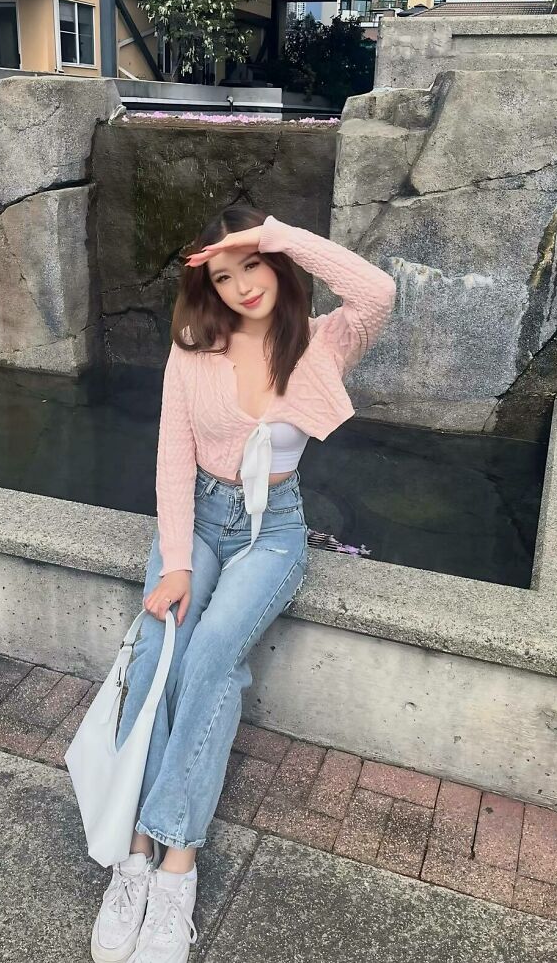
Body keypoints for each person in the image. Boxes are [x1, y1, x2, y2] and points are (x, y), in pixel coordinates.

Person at [90, 205, 396, 963]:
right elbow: (170, 457)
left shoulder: (325, 342)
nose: (240, 286)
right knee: (167, 649)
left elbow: (377, 291)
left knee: (210, 656)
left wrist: (273, 233)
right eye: (222, 277)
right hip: (196, 518)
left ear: (274, 264)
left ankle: (172, 869)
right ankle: (137, 859)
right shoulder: (194, 350)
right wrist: (177, 561)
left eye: (249, 266)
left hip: (274, 530)